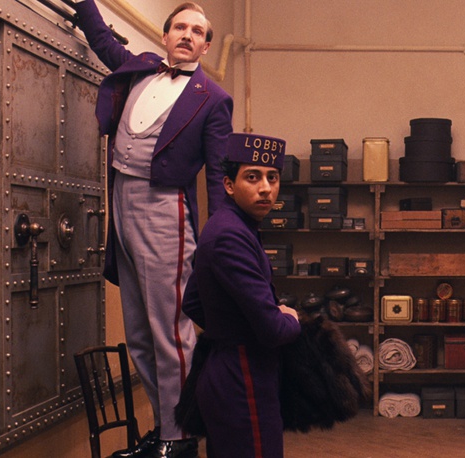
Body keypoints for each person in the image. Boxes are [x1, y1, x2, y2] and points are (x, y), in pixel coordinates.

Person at [71, 1, 233, 456]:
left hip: (166, 209)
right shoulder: (140, 68)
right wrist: (84, 5)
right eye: (179, 27)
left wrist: (221, 240)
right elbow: (104, 43)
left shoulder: (214, 98)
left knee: (170, 332)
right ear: (165, 36)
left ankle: (180, 438)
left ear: (205, 45)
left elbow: (218, 174)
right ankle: (166, 427)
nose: (187, 35)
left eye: (197, 31)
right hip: (121, 201)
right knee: (140, 333)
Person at [181, 133, 301, 458]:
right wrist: (290, 319)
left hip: (229, 370)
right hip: (243, 378)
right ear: (229, 185)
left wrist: (229, 328)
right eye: (252, 177)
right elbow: (273, 329)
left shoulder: (230, 225)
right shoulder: (231, 236)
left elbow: (192, 301)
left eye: (272, 178)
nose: (266, 188)